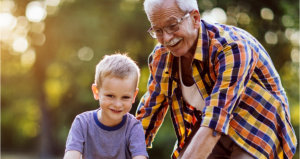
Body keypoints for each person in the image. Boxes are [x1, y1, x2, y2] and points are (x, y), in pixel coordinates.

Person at [136, 0, 297, 159]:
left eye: (172, 26)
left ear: (195, 18)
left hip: (258, 125)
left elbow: (216, 118)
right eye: (158, 30)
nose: (166, 38)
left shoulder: (232, 46)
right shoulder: (161, 57)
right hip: (212, 125)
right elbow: (147, 115)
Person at [64, 54, 148, 159]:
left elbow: (140, 157)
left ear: (134, 96)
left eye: (125, 97)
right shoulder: (82, 123)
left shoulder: (133, 127)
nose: (118, 104)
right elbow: (71, 155)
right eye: (110, 96)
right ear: (96, 92)